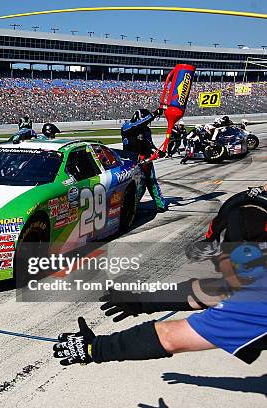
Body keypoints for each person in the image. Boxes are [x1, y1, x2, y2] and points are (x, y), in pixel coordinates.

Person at [53, 185, 267, 366]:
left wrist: (95, 348)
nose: (216, 267)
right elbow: (215, 291)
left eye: (218, 257)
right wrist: (143, 301)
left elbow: (170, 337)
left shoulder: (257, 300)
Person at [121, 108, 168, 212]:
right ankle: (130, 208)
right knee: (138, 185)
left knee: (152, 182)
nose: (148, 123)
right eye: (147, 120)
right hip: (131, 161)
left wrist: (157, 152)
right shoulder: (126, 126)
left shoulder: (146, 130)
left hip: (146, 159)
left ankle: (160, 205)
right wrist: (154, 114)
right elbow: (136, 126)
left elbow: (149, 144)